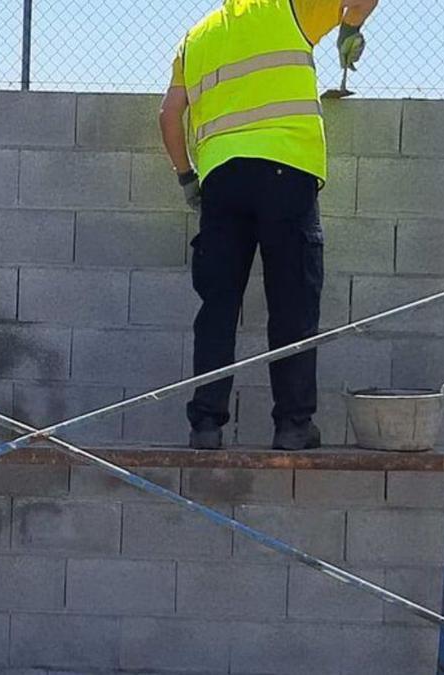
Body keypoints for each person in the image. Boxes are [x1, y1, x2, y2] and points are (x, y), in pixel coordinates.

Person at [158, 0, 378, 450]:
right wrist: (348, 29)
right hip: (286, 169)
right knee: (292, 300)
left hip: (221, 179)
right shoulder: (290, 7)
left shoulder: (195, 38)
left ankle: (206, 424)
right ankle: (294, 426)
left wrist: (187, 176)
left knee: (218, 306)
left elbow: (167, 115)